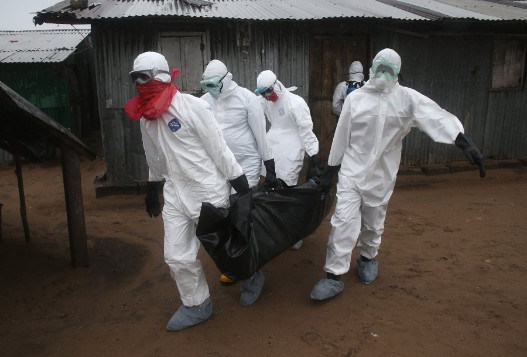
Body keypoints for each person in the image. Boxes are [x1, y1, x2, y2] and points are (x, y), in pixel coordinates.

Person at [311, 48, 486, 301]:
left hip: (381, 174)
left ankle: (368, 258)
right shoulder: (355, 99)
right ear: (371, 69)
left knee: (373, 222)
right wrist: (331, 170)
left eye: (389, 69)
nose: (382, 73)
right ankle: (333, 276)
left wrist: (462, 140)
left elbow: (435, 117)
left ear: (397, 73)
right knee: (342, 223)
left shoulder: (408, 99)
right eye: (379, 67)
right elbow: (341, 137)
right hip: (352, 170)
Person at [124, 52, 265, 331]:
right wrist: (153, 187)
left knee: (227, 249)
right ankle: (197, 304)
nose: (140, 83)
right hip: (175, 193)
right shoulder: (146, 119)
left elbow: (219, 149)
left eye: (145, 76)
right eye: (135, 78)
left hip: (207, 192)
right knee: (177, 255)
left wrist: (240, 186)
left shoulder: (192, 107)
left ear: (162, 75)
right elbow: (153, 156)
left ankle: (251, 275)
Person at [199, 59, 277, 286]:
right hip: (217, 169)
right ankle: (233, 263)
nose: (211, 89)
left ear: (227, 79)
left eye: (214, 84)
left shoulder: (247, 99)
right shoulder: (204, 102)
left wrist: (269, 167)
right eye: (207, 85)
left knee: (242, 216)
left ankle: (252, 271)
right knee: (223, 214)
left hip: (246, 167)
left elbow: (261, 136)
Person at [254, 70, 321, 250]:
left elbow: (306, 129)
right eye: (262, 93)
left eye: (268, 91)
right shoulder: (264, 101)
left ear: (277, 85)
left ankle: (292, 232)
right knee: (269, 184)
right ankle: (271, 225)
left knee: (287, 187)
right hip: (273, 142)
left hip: (292, 144)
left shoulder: (295, 103)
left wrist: (313, 155)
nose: (266, 96)